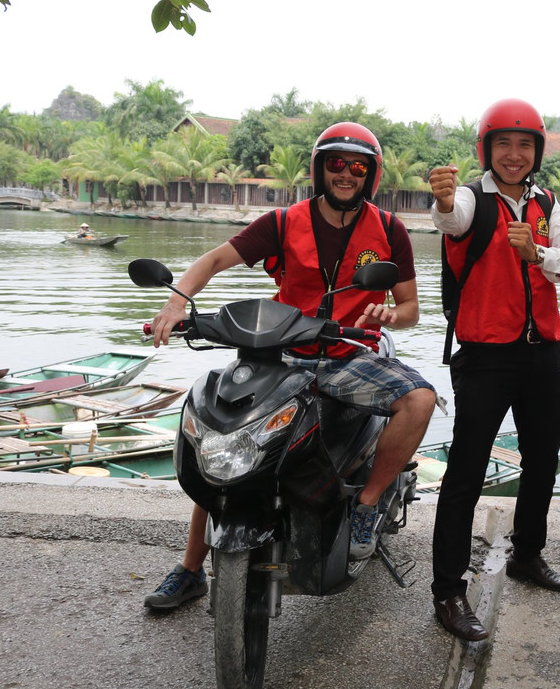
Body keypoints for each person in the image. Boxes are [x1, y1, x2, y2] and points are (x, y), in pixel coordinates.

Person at [143, 122, 438, 611]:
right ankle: (191, 568)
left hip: (350, 356)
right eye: (336, 164)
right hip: (284, 356)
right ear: (320, 169)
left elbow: (410, 307)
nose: (346, 174)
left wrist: (390, 314)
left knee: (420, 399)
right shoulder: (282, 222)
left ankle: (367, 505)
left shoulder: (389, 231)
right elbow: (215, 260)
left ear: (371, 175)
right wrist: (177, 303)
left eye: (357, 167)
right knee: (224, 440)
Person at [426, 98, 560, 641]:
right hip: (486, 353)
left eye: (524, 145)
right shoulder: (472, 197)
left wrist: (537, 253)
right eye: (503, 144)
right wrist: (444, 200)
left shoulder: (545, 201)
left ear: (536, 151)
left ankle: (527, 556)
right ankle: (448, 590)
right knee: (466, 472)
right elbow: (454, 220)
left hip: (541, 351)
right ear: (486, 149)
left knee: (541, 460)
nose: (514, 155)